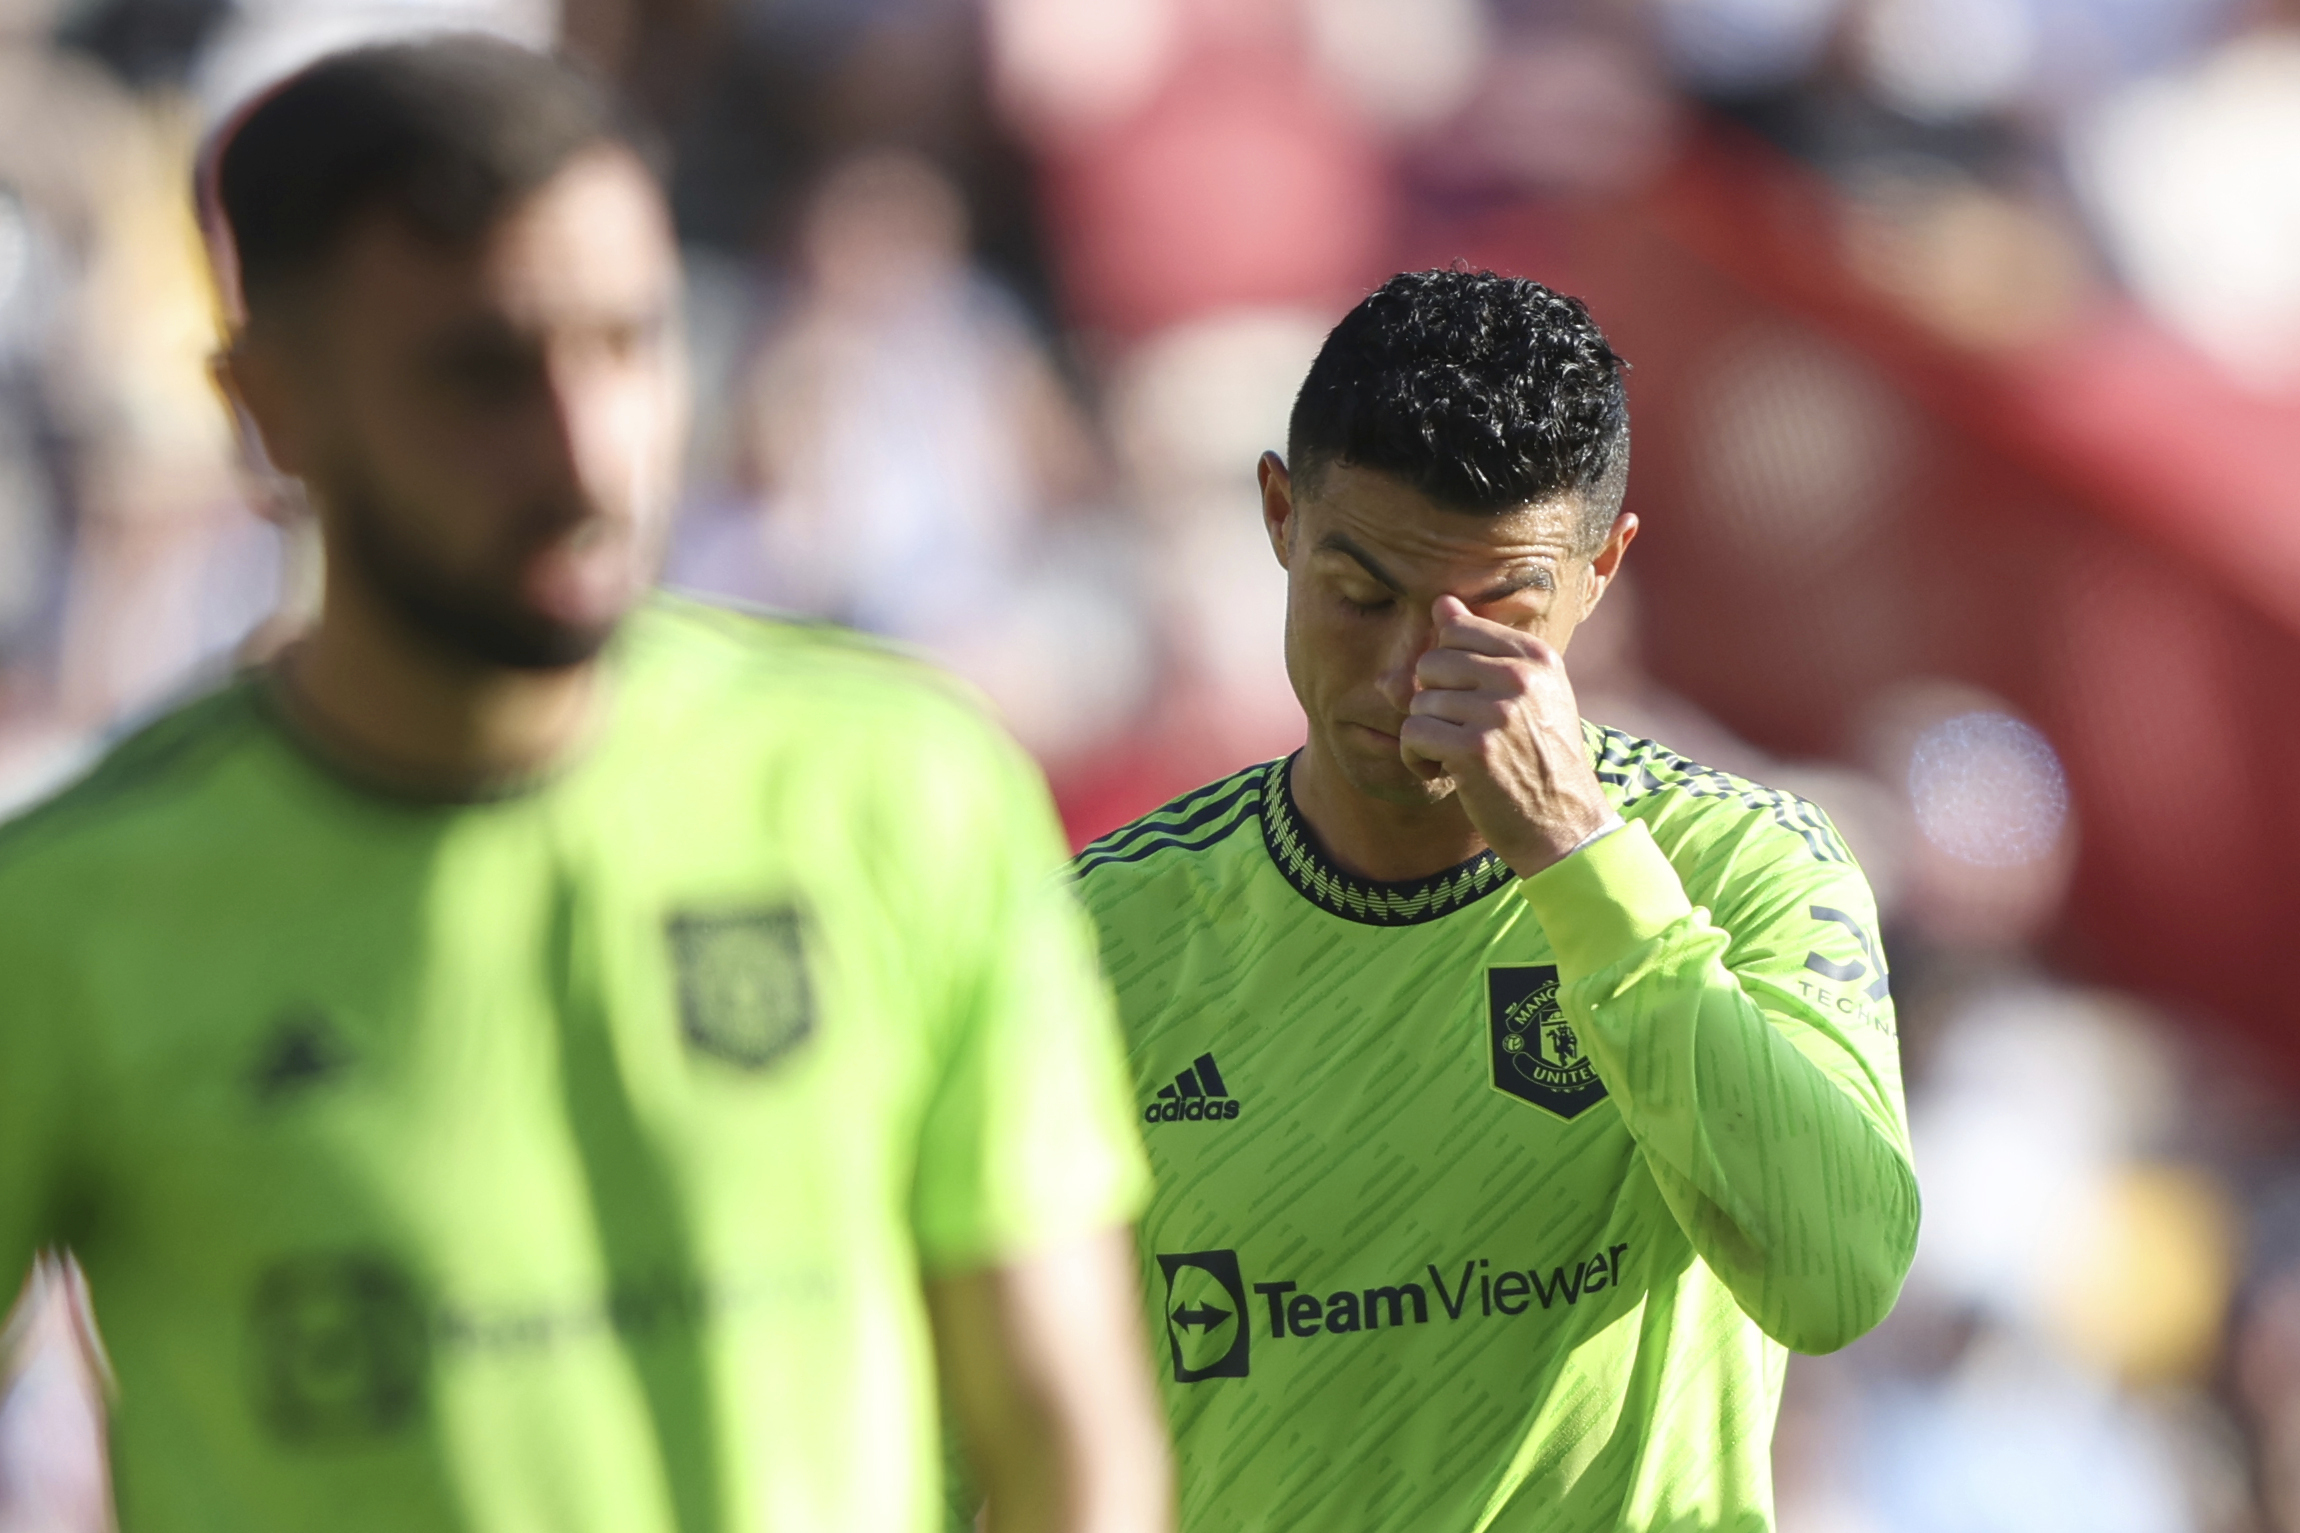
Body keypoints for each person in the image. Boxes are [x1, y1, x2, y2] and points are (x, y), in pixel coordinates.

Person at [0, 37, 1172, 1533]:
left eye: (630, 344)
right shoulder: (69, 912)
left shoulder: (901, 788)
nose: (585, 450)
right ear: (269, 413)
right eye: (481, 372)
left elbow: (1069, 1439)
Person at [1073, 269, 1920, 1531]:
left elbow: (1833, 1276)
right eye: (1363, 597)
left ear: (1600, 572)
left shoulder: (1743, 867)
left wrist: (1578, 857)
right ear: (1278, 516)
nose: (1416, 670)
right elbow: (946, 1429)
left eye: (1498, 619)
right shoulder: (1097, 940)